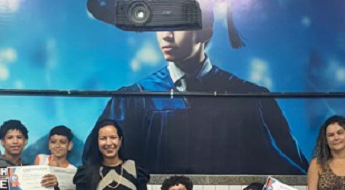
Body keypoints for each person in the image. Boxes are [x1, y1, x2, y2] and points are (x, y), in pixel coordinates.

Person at [89, 20, 306, 175]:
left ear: (205, 33)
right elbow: (99, 159)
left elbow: (286, 165)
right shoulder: (134, 99)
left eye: (177, 27)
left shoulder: (249, 97)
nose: (166, 36)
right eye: (161, 27)